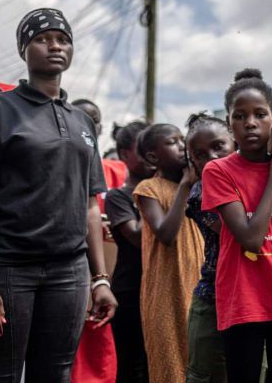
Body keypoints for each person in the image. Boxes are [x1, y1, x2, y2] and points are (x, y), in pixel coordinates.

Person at [0, 8, 117, 381]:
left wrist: (99, 279)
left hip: (68, 273)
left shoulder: (82, 122)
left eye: (63, 39)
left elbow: (90, 206)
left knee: (55, 374)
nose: (54, 46)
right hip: (7, 267)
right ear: (23, 49)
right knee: (0, 374)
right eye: (42, 39)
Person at [201, 69, 272, 383]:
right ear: (230, 124)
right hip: (243, 300)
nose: (250, 122)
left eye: (259, 114)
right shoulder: (218, 171)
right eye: (240, 116)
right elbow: (250, 239)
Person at [134, 124, 204, 383]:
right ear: (153, 157)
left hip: (198, 281)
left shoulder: (201, 185)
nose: (181, 146)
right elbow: (165, 234)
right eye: (173, 142)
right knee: (170, 359)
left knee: (200, 358)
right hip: (166, 289)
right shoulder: (149, 188)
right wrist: (186, 186)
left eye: (182, 140)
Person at [71, 98, 123, 383]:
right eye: (82, 117)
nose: (89, 124)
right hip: (69, 267)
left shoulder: (116, 170)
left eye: (95, 119)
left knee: (99, 353)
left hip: (107, 273)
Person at [183, 112, 235, 383]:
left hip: (254, 298)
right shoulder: (200, 193)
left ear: (234, 143)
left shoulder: (251, 180)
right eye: (201, 155)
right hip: (213, 297)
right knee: (205, 375)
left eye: (218, 147)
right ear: (193, 162)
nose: (212, 157)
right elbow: (240, 233)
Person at [105, 121, 154, 383]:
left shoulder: (168, 191)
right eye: (143, 148)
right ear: (124, 154)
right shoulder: (118, 197)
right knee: (132, 367)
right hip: (131, 294)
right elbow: (136, 236)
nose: (151, 154)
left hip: (161, 292)